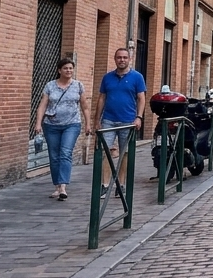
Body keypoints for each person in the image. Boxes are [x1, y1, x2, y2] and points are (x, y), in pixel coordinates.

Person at [93, 48, 146, 198]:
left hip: (128, 121)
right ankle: (104, 185)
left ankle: (121, 185)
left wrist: (139, 117)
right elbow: (102, 98)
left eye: (124, 57)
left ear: (129, 59)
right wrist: (97, 120)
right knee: (105, 152)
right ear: (115, 59)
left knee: (125, 154)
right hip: (108, 120)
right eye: (119, 57)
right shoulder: (107, 77)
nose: (121, 60)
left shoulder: (137, 77)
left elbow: (141, 98)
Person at [34, 57, 88, 200]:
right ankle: (57, 186)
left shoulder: (78, 85)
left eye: (71, 68)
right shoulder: (50, 86)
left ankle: (63, 186)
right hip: (51, 125)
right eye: (65, 68)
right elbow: (43, 105)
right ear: (59, 70)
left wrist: (88, 123)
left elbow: (84, 106)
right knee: (54, 156)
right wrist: (38, 123)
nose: (68, 70)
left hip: (72, 124)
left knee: (65, 153)